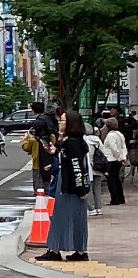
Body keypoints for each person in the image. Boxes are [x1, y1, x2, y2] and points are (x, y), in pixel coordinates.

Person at [41, 109, 92, 262]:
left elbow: (76, 166)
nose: (59, 123)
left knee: (61, 218)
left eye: (62, 121)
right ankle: (79, 250)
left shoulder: (72, 144)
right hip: (72, 185)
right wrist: (55, 151)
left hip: (70, 186)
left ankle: (55, 249)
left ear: (70, 123)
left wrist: (81, 189)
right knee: (75, 219)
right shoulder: (73, 141)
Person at [96, 109, 127, 207]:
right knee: (116, 179)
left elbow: (114, 148)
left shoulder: (110, 136)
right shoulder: (120, 134)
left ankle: (115, 199)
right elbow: (123, 147)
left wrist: (118, 156)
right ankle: (120, 198)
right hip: (117, 160)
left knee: (111, 180)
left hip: (111, 160)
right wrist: (122, 157)